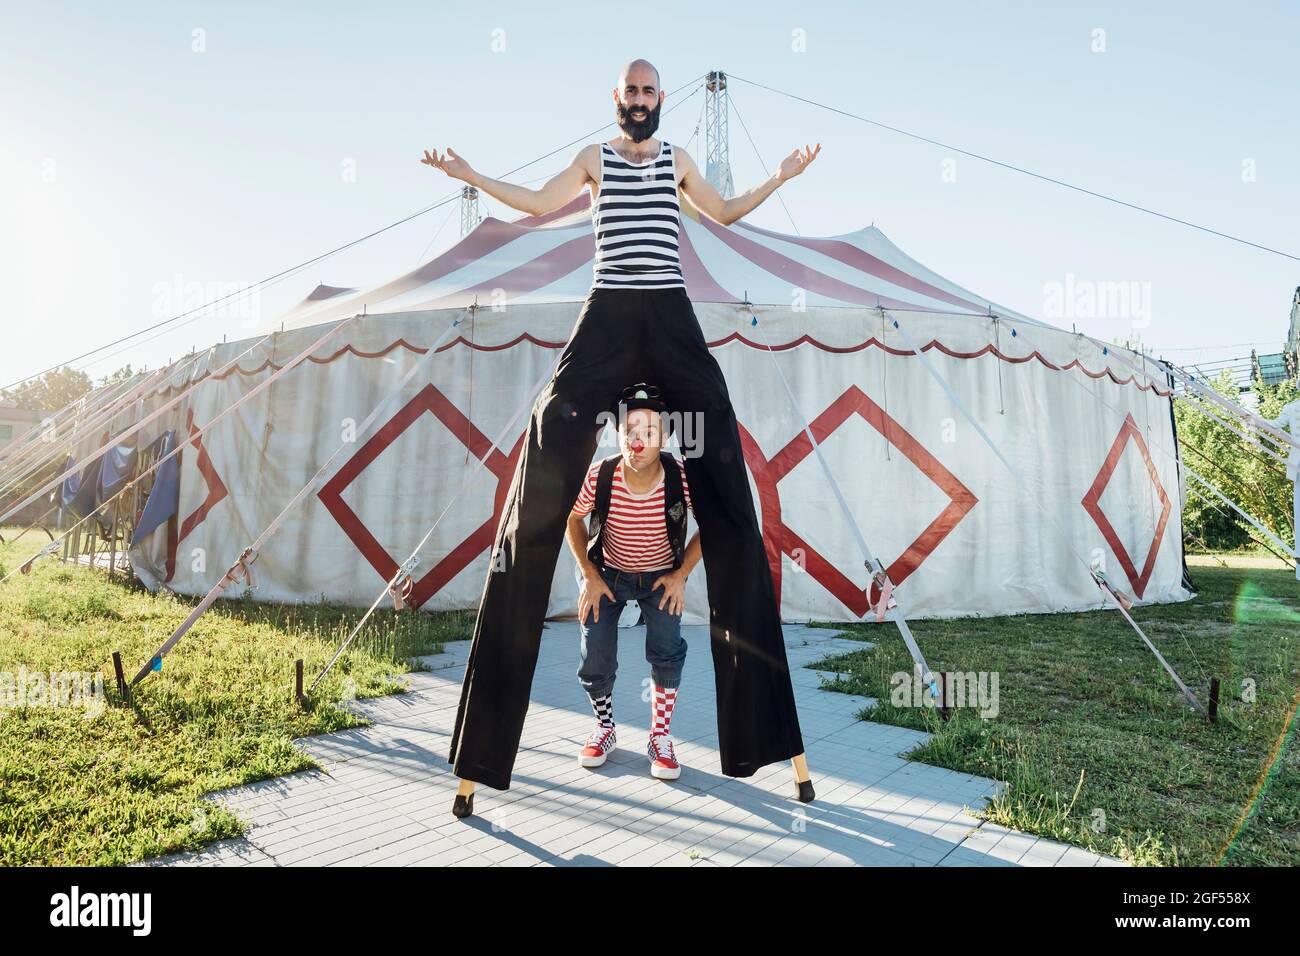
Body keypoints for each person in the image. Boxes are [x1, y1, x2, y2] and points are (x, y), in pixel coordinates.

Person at [423, 58, 820, 813]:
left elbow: (725, 213)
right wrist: (472, 174)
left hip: (669, 315)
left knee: (726, 470)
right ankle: (481, 757)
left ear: (660, 100)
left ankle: (768, 739)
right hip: (607, 314)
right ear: (616, 101)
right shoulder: (593, 160)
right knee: (545, 449)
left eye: (648, 92)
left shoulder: (677, 161)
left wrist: (781, 179)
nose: (639, 102)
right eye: (629, 93)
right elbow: (539, 203)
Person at [566, 385, 701, 780]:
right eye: (630, 429)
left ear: (664, 439)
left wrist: (681, 575)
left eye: (649, 431)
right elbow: (573, 519)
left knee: (667, 650)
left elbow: (714, 526)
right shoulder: (601, 473)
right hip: (606, 573)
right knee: (596, 652)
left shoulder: (680, 477)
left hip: (661, 575)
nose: (637, 439)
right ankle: (605, 728)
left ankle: (659, 736)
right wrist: (589, 575)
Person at [1264, 390, 1300, 581]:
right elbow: (1275, 424)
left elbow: (1275, 424)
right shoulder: (1291, 407)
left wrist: (1255, 419)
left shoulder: (1291, 407)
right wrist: (1255, 419)